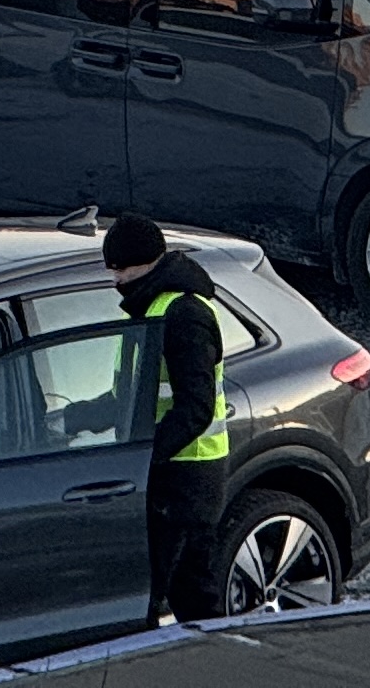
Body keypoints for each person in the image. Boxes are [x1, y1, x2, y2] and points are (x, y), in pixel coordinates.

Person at [106, 212, 228, 625]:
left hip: (187, 477)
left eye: (120, 268)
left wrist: (143, 456)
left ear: (143, 262)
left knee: (188, 595)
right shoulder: (151, 307)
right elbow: (133, 395)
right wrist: (73, 417)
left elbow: (196, 408)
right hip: (171, 472)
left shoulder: (183, 313)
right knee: (178, 594)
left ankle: (210, 657)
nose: (115, 279)